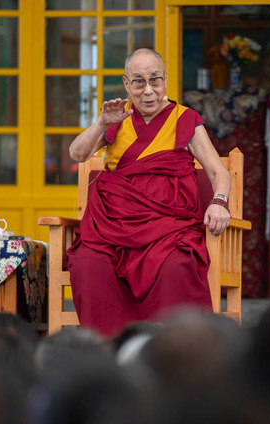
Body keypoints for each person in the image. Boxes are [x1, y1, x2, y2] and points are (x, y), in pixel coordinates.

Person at [66, 48, 232, 337]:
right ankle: (110, 350)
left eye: (155, 80)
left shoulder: (185, 119)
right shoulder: (116, 120)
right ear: (127, 84)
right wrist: (101, 124)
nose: (148, 91)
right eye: (139, 82)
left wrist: (219, 202)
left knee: (178, 265)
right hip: (111, 230)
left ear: (165, 80)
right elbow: (77, 154)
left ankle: (175, 347)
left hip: (167, 230)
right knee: (87, 265)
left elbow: (218, 172)